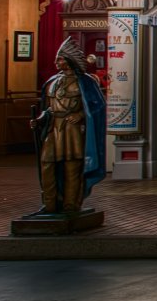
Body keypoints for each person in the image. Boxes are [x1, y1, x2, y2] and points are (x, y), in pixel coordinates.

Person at [30, 36, 108, 217]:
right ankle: (49, 202)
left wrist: (80, 115)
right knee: (47, 165)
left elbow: (97, 106)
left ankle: (71, 204)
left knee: (72, 166)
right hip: (53, 129)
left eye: (60, 59)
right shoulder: (52, 82)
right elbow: (48, 108)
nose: (56, 62)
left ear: (69, 61)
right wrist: (40, 120)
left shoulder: (86, 82)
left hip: (72, 130)